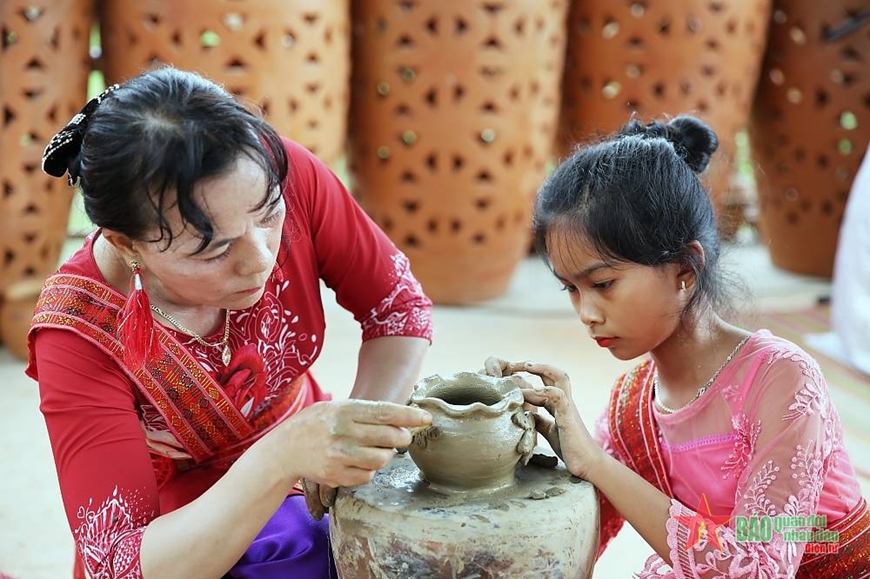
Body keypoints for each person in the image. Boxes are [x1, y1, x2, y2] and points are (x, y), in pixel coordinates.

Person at [27, 67, 434, 579]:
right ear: (126, 244)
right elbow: (118, 564)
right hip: (182, 531)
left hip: (311, 460)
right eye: (213, 248)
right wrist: (281, 457)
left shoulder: (274, 178)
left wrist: (358, 441)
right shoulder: (77, 333)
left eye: (269, 216)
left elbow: (396, 306)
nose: (259, 258)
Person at [485, 116, 869, 578]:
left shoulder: (781, 381)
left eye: (603, 283)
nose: (586, 312)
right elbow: (573, 539)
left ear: (685, 270)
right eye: (570, 288)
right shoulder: (633, 406)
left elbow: (759, 569)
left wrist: (596, 463)